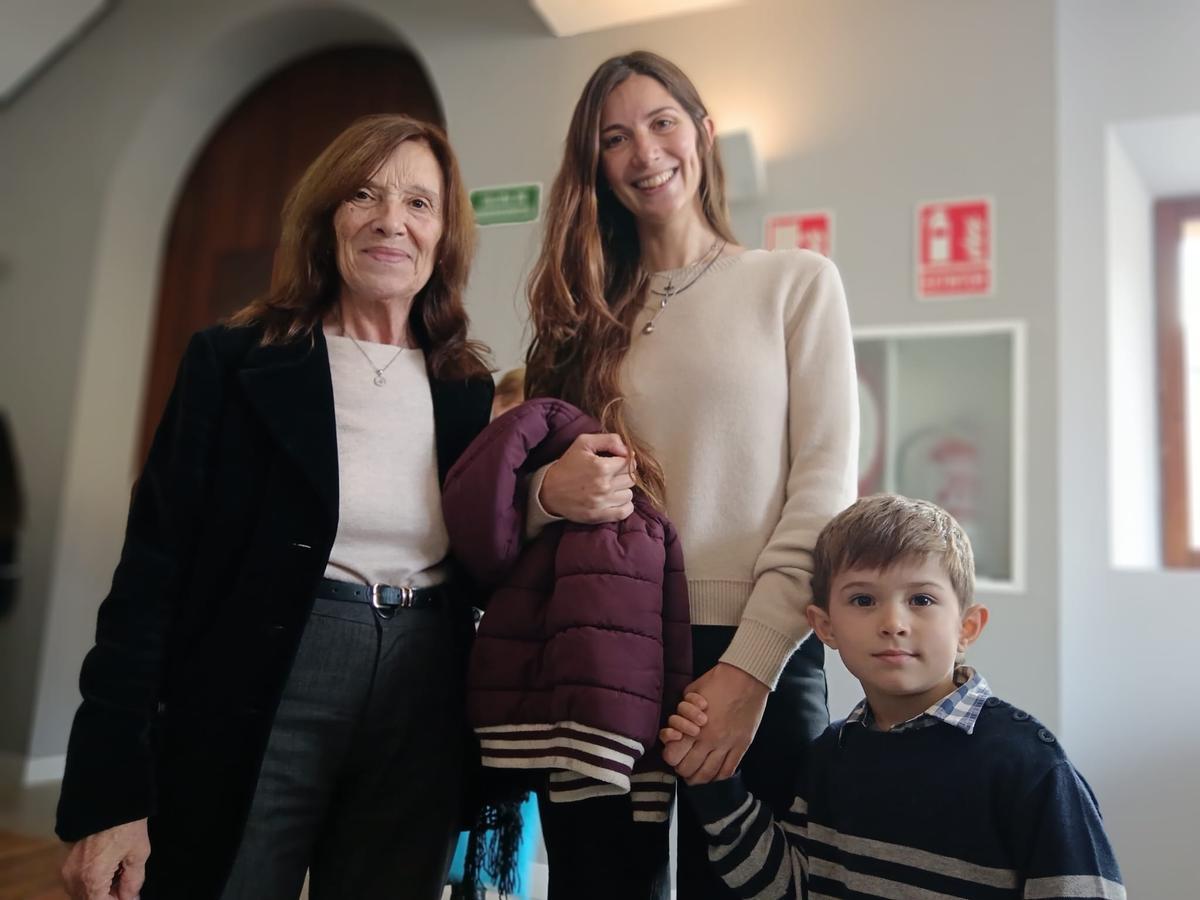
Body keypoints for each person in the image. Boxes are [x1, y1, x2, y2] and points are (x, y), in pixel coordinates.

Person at [55, 113, 495, 900]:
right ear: (328, 216)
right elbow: (148, 576)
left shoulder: (467, 388)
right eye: (365, 194)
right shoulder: (232, 362)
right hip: (262, 682)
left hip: (424, 691)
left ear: (445, 234)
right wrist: (111, 790)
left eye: (419, 203)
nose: (392, 221)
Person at [523, 50, 859, 897]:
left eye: (662, 123)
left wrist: (751, 669)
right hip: (602, 644)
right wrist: (541, 497)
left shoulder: (795, 284)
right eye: (615, 139)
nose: (645, 153)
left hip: (756, 646)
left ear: (703, 133)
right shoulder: (579, 318)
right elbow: (523, 504)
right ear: (595, 167)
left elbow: (822, 491)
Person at [667, 494, 1126, 899]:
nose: (893, 622)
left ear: (967, 627)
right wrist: (714, 783)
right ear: (824, 627)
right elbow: (793, 888)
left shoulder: (1031, 768)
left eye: (921, 600)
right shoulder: (829, 758)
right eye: (863, 600)